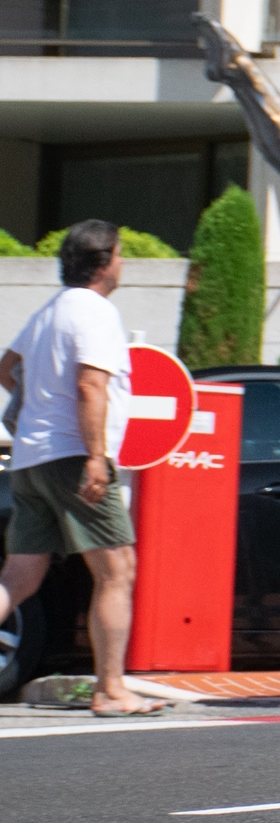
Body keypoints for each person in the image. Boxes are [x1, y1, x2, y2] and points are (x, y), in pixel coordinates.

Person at [0, 221, 166, 717]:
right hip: (74, 458)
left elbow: (5, 367)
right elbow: (91, 387)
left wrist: (33, 408)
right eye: (119, 255)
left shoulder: (50, 311)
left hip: (30, 459)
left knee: (18, 576)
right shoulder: (95, 313)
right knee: (118, 570)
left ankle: (110, 688)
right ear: (108, 259)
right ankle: (110, 690)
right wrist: (96, 456)